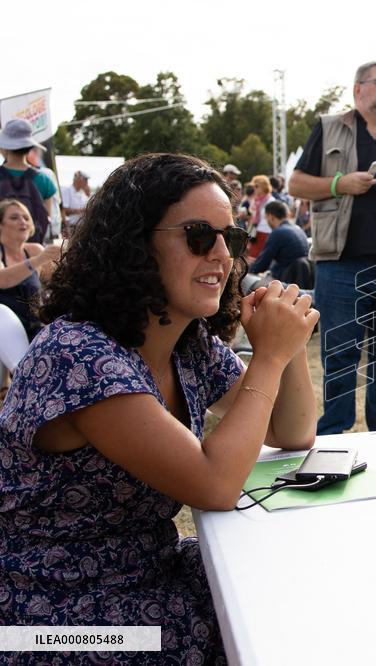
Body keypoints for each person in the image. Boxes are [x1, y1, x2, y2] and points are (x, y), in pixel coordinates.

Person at [0, 153, 319, 662]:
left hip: (142, 576)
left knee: (285, 591)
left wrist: (289, 341)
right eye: (198, 236)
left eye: (231, 239)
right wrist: (270, 357)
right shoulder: (78, 356)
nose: (222, 255)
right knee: (251, 632)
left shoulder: (184, 340)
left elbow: (293, 431)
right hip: (48, 617)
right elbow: (216, 484)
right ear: (135, 244)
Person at [288, 60, 376, 436]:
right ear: (358, 90)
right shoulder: (329, 127)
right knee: (339, 354)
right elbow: (297, 184)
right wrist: (340, 182)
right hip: (342, 264)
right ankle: (332, 432)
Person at [0, 199, 60, 339]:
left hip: (37, 327)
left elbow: (57, 282)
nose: (23, 221)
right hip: (6, 334)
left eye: (26, 217)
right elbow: (2, 279)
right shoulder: (37, 256)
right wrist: (38, 260)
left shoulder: (34, 250)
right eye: (14, 217)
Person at [0, 119, 56, 244]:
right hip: (32, 252)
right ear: (30, 146)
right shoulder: (44, 179)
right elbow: (46, 219)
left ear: (5, 146)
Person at [247, 200, 311, 286]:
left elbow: (261, 265)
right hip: (300, 279)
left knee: (249, 282)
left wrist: (246, 270)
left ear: (270, 216)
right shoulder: (298, 229)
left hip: (284, 280)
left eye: (266, 218)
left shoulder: (278, 232)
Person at [246, 174, 276, 259]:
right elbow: (252, 218)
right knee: (252, 257)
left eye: (256, 186)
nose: (254, 188)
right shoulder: (256, 200)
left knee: (263, 259)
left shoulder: (271, 201)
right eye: (253, 186)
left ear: (264, 186)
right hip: (255, 232)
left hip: (267, 233)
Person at [60, 169, 91, 237]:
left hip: (82, 227)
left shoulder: (83, 193)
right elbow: (65, 211)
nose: (87, 182)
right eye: (85, 180)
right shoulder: (67, 190)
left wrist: (88, 194)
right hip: (71, 227)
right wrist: (82, 210)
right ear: (78, 179)